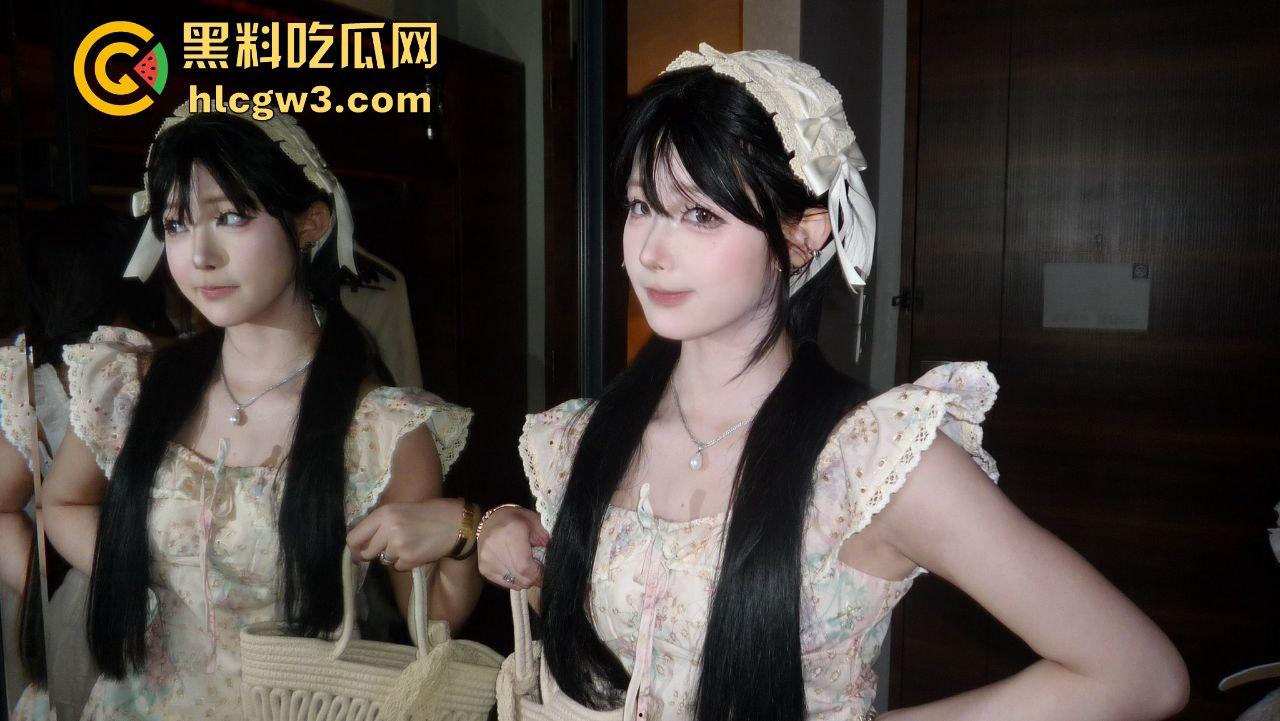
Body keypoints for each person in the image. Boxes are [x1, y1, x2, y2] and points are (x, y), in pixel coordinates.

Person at [476, 45, 1189, 721]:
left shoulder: (866, 464)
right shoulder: (583, 436)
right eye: (640, 206)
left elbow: (1138, 675)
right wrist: (491, 530)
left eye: (699, 214)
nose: (651, 252)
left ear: (802, 236)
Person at [41, 103, 483, 720]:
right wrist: (134, 569)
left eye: (230, 217)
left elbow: (429, 620)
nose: (199, 255)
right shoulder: (138, 386)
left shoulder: (381, 429)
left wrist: (467, 532)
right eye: (176, 225)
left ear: (310, 223)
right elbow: (62, 503)